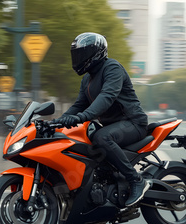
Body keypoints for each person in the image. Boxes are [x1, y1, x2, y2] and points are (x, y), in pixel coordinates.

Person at [56, 32, 150, 207]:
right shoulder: (87, 79)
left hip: (133, 123)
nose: (78, 58)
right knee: (82, 141)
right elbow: (78, 105)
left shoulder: (112, 68)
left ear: (95, 53)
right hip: (113, 126)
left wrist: (83, 117)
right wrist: (57, 122)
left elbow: (107, 97)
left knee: (101, 137)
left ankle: (136, 180)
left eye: (82, 54)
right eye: (76, 54)